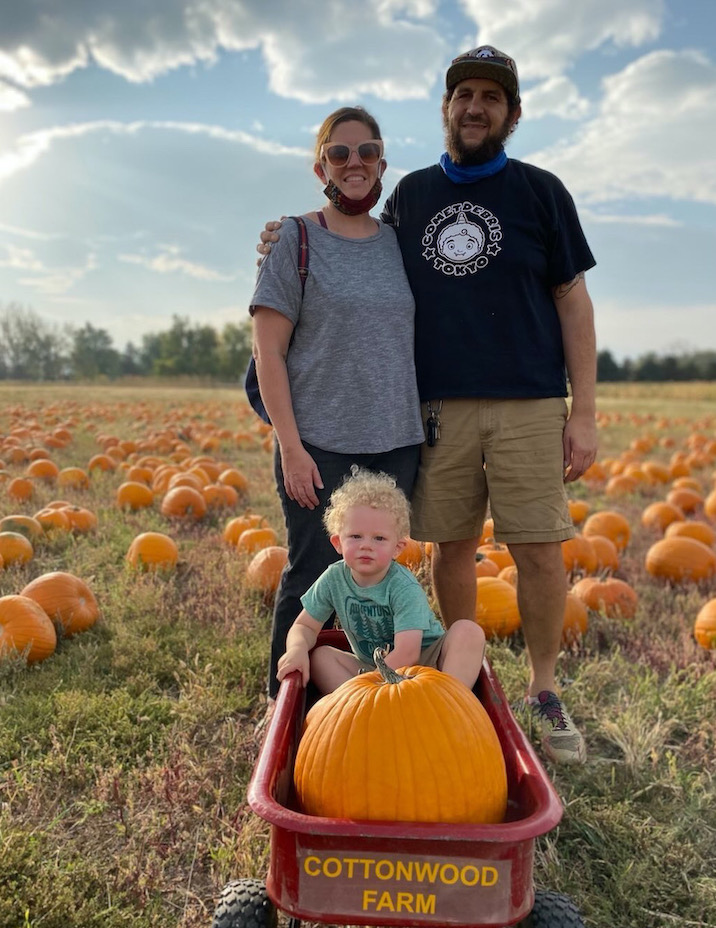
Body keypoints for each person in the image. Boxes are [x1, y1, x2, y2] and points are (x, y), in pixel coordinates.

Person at [258, 47, 597, 766]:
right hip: (434, 409)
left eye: (492, 98)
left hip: (528, 402)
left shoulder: (541, 192)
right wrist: (279, 238)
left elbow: (573, 300)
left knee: (537, 548)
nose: (476, 107)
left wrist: (585, 409)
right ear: (445, 108)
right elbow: (340, 244)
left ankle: (540, 689)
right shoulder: (410, 198)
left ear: (511, 113)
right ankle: (440, 688)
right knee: (447, 549)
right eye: (463, 95)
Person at [249, 106, 425, 712]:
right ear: (320, 163)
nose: (355, 163)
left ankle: (379, 702)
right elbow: (268, 352)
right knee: (311, 575)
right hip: (318, 440)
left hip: (396, 439)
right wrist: (290, 448)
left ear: (382, 161)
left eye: (367, 151)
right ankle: (283, 710)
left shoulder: (401, 245)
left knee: (379, 575)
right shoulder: (295, 240)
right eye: (340, 152)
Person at [277, 467, 485, 694]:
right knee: (321, 657)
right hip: (373, 668)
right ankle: (358, 705)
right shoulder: (334, 578)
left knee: (468, 631)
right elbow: (305, 626)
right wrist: (296, 649)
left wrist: (372, 686)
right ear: (338, 543)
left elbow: (409, 652)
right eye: (355, 536)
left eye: (379, 538)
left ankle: (449, 700)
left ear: (397, 548)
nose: (366, 545)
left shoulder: (402, 586)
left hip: (427, 666)